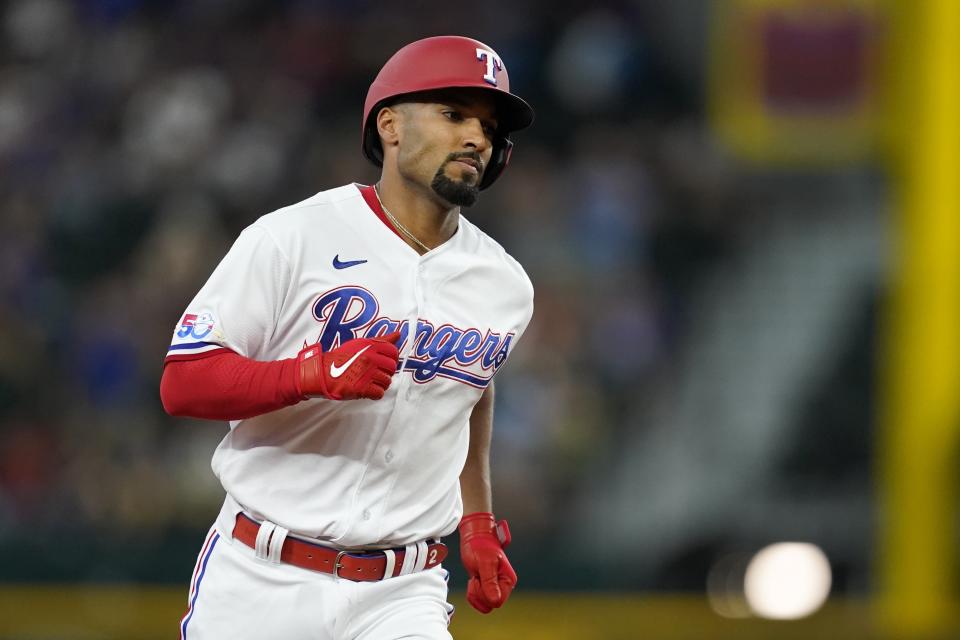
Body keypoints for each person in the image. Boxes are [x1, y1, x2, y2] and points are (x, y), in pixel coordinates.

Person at [160, 35, 534, 640]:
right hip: (264, 575)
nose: (476, 137)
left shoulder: (505, 284)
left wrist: (478, 519)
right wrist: (307, 376)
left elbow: (471, 391)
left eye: (489, 127)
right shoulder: (292, 237)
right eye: (453, 114)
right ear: (389, 125)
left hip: (403, 589)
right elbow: (183, 383)